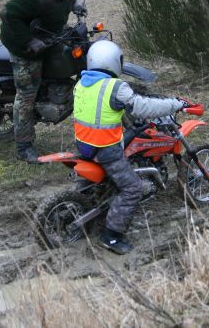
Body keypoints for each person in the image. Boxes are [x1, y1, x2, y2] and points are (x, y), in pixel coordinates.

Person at [73, 40, 186, 255]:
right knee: (133, 188)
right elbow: (143, 107)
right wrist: (175, 104)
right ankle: (111, 236)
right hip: (106, 150)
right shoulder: (115, 87)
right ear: (114, 61)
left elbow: (101, 110)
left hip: (84, 144)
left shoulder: (81, 84)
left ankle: (99, 199)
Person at [0, 0, 86, 164]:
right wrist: (28, 41)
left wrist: (75, 4)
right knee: (27, 94)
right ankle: (23, 146)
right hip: (23, 45)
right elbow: (8, 14)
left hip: (48, 34)